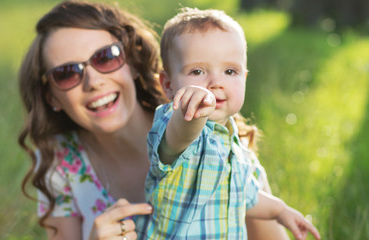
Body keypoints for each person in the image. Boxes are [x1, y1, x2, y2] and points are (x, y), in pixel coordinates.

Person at [18, 1, 294, 240]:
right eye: (66, 73)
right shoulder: (60, 163)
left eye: (106, 57)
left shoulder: (216, 139)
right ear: (51, 96)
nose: (93, 81)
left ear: (133, 61)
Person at [137, 7, 321, 240]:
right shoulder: (173, 122)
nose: (216, 82)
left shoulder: (235, 143)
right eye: (197, 71)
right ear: (167, 84)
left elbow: (243, 195)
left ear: (244, 78)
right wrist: (195, 110)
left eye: (230, 71)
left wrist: (280, 211)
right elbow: (181, 134)